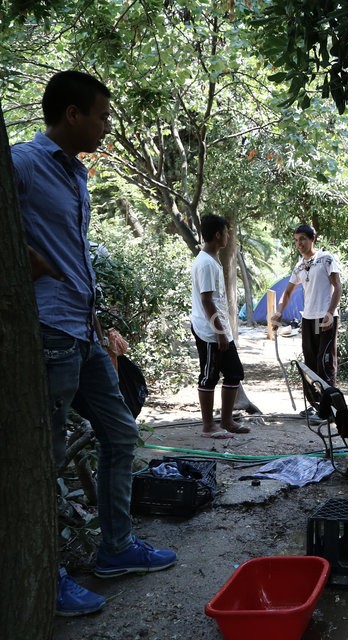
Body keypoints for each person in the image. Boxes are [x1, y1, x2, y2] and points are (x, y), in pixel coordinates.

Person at [14, 70, 176, 617]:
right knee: (49, 460)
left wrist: (100, 320)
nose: (107, 126)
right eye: (102, 116)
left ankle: (116, 549)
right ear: (73, 114)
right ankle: (48, 578)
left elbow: (71, 250)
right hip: (48, 331)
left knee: (119, 432)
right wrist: (29, 264)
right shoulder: (22, 164)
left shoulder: (75, 176)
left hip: (82, 331)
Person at [190, 214, 250, 439]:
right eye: (226, 232)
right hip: (210, 332)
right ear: (217, 234)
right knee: (209, 376)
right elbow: (207, 300)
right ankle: (208, 426)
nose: (228, 236)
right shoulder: (205, 262)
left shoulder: (211, 260)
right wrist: (219, 331)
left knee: (234, 373)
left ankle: (227, 420)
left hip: (219, 329)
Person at [271, 224, 343, 386]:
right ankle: (314, 405)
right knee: (310, 363)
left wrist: (330, 313)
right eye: (296, 240)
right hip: (308, 319)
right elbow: (287, 292)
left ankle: (328, 406)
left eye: (302, 239)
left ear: (313, 239)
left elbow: (338, 286)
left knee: (325, 362)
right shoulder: (299, 266)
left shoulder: (326, 258)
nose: (299, 243)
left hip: (325, 318)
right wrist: (279, 312)